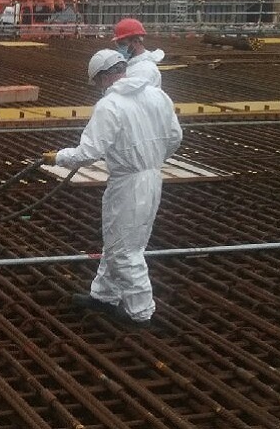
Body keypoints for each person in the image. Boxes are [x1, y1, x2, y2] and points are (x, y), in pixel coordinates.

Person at [43, 49, 182, 329]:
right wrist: (151, 160)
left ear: (105, 77)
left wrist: (58, 157)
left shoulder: (111, 105)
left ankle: (141, 313)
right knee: (120, 243)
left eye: (97, 82)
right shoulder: (158, 95)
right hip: (151, 178)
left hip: (128, 183)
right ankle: (104, 295)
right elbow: (175, 137)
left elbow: (88, 152)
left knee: (125, 251)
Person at [112, 18, 164, 87]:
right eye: (118, 44)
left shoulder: (143, 70)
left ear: (136, 41)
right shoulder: (132, 63)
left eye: (123, 44)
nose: (120, 48)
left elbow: (130, 95)